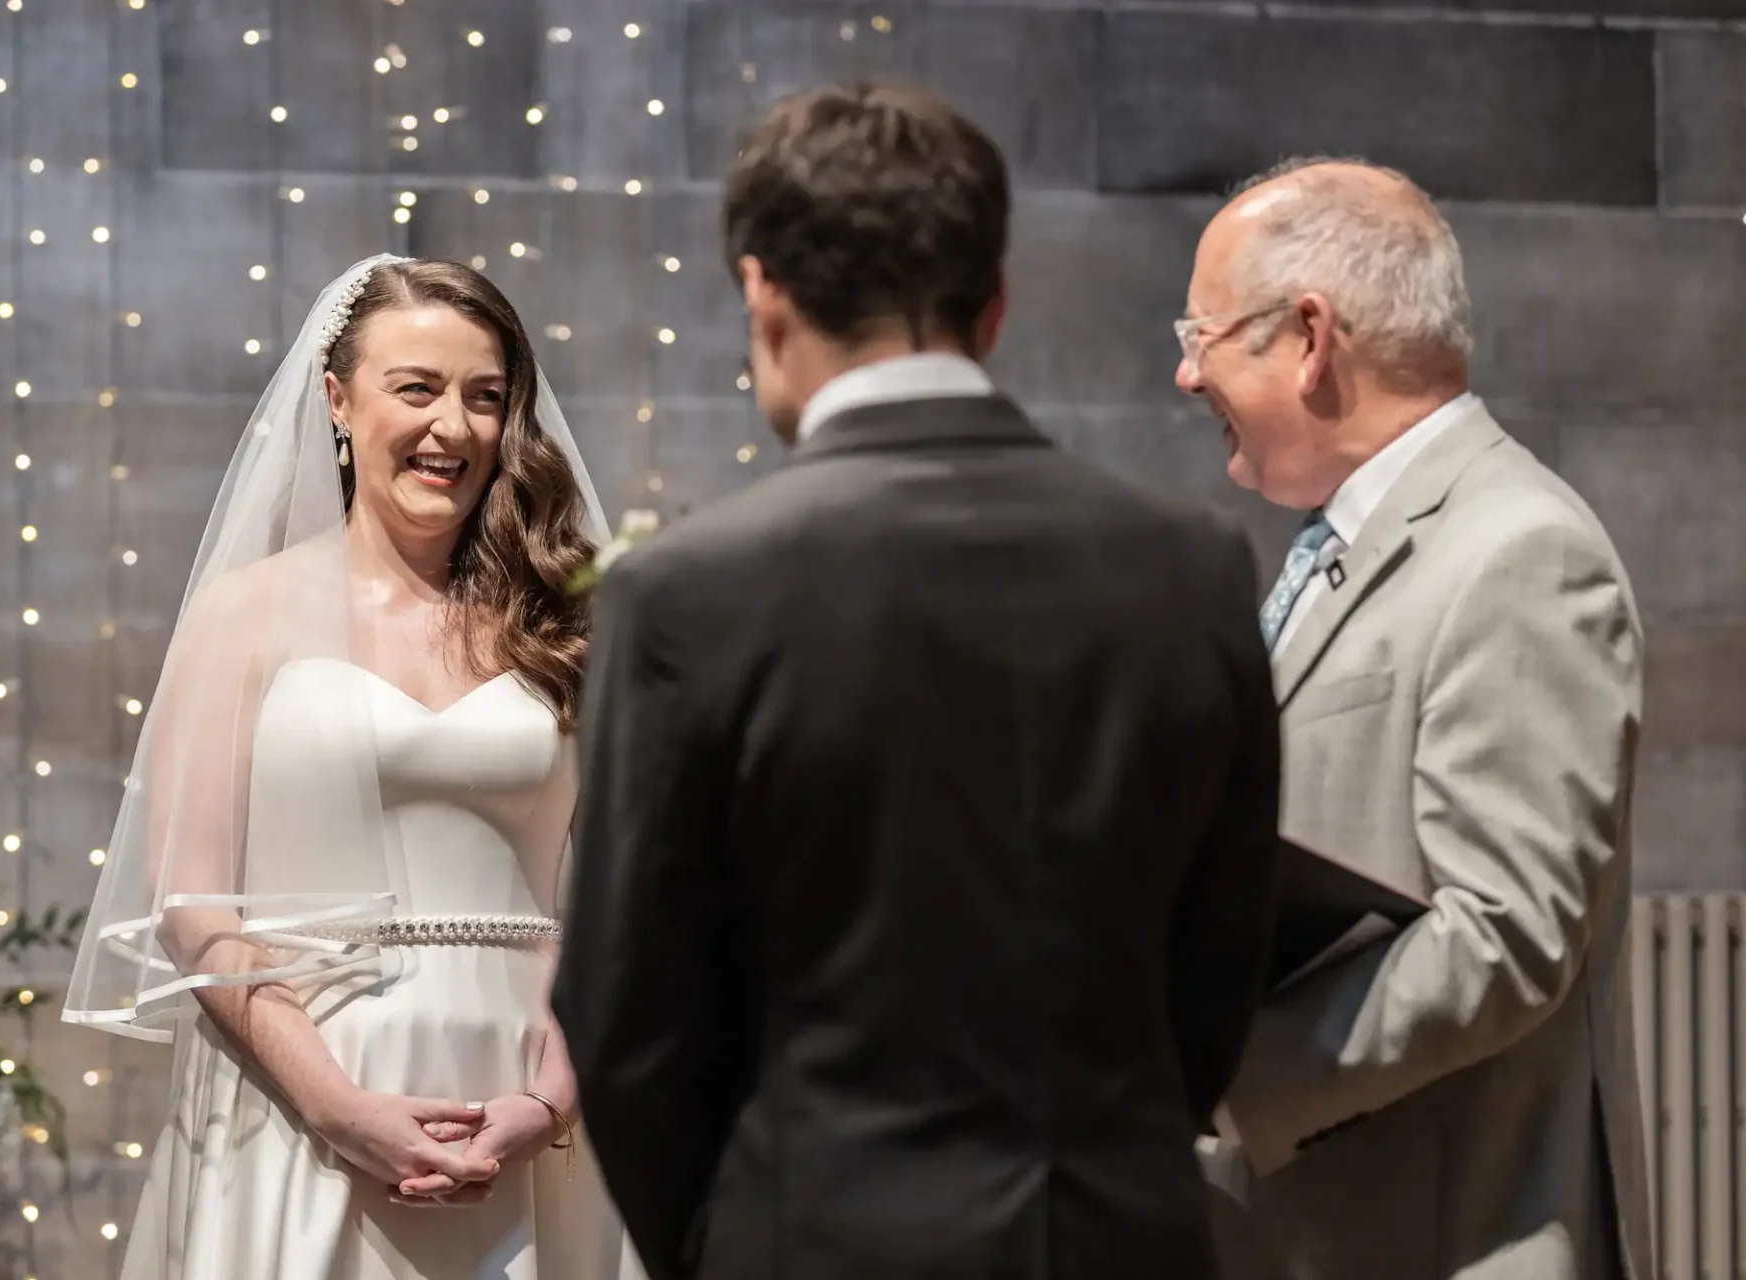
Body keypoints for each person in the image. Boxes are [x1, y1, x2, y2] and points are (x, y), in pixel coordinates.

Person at [553, 84, 1284, 1280]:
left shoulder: (689, 593)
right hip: (1117, 1235)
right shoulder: (1188, 568)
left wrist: (731, 1238)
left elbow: (626, 1012)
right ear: (994, 305)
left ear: (763, 296)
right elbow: (1217, 970)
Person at [62, 256, 642, 1280]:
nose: (452, 427)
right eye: (415, 388)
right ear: (337, 399)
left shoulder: (565, 622)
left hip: (524, 1102)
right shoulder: (245, 612)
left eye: (485, 397)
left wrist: (549, 1099)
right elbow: (191, 900)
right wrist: (337, 1106)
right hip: (297, 1103)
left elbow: (616, 893)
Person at [1179, 158, 1652, 1280]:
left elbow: (1504, 930)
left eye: (1201, 334)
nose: (1185, 373)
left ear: (1308, 335)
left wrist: (1219, 1075)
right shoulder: (1345, 543)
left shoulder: (1520, 551)